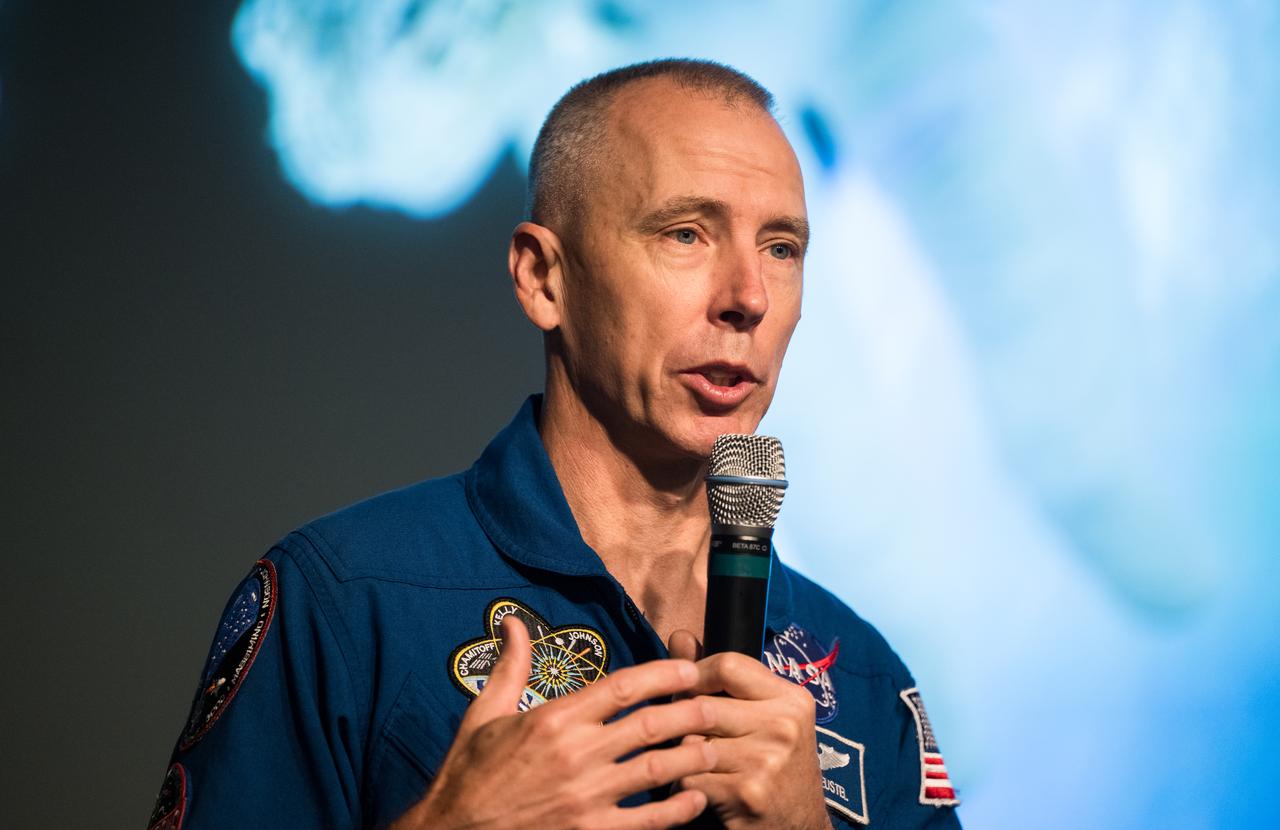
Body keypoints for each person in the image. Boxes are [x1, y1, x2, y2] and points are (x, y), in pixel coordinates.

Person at [149, 59, 963, 830]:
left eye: (782, 249)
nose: (748, 297)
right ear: (543, 277)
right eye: (686, 234)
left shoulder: (858, 670)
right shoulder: (348, 600)